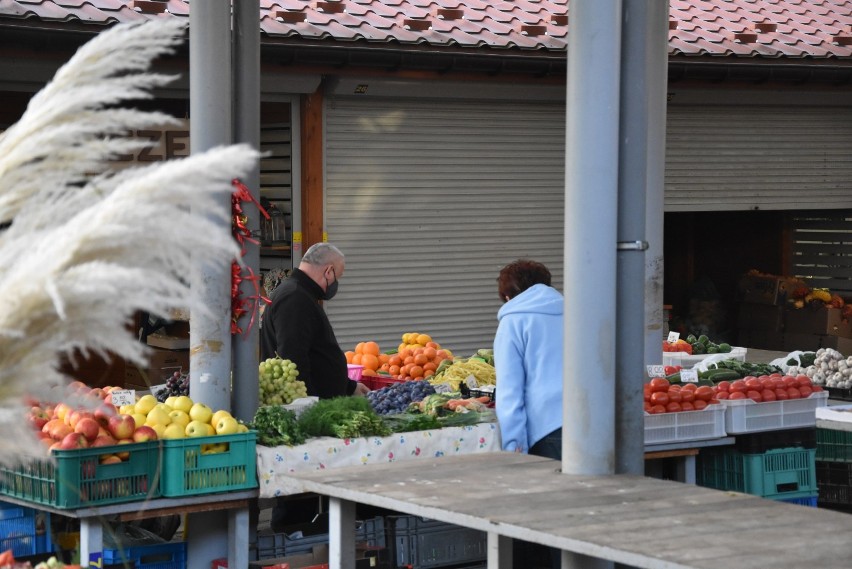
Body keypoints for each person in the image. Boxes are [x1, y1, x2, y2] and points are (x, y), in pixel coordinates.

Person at [260, 241, 369, 399]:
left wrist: (349, 386)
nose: (335, 284)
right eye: (337, 277)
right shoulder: (295, 298)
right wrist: (308, 405)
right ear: (329, 271)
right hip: (308, 408)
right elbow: (293, 358)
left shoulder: (299, 294)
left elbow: (316, 353)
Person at [493, 259, 564, 459]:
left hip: (547, 428)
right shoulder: (577, 313)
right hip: (591, 420)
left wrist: (513, 444)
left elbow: (510, 391)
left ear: (508, 297)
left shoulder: (513, 322)